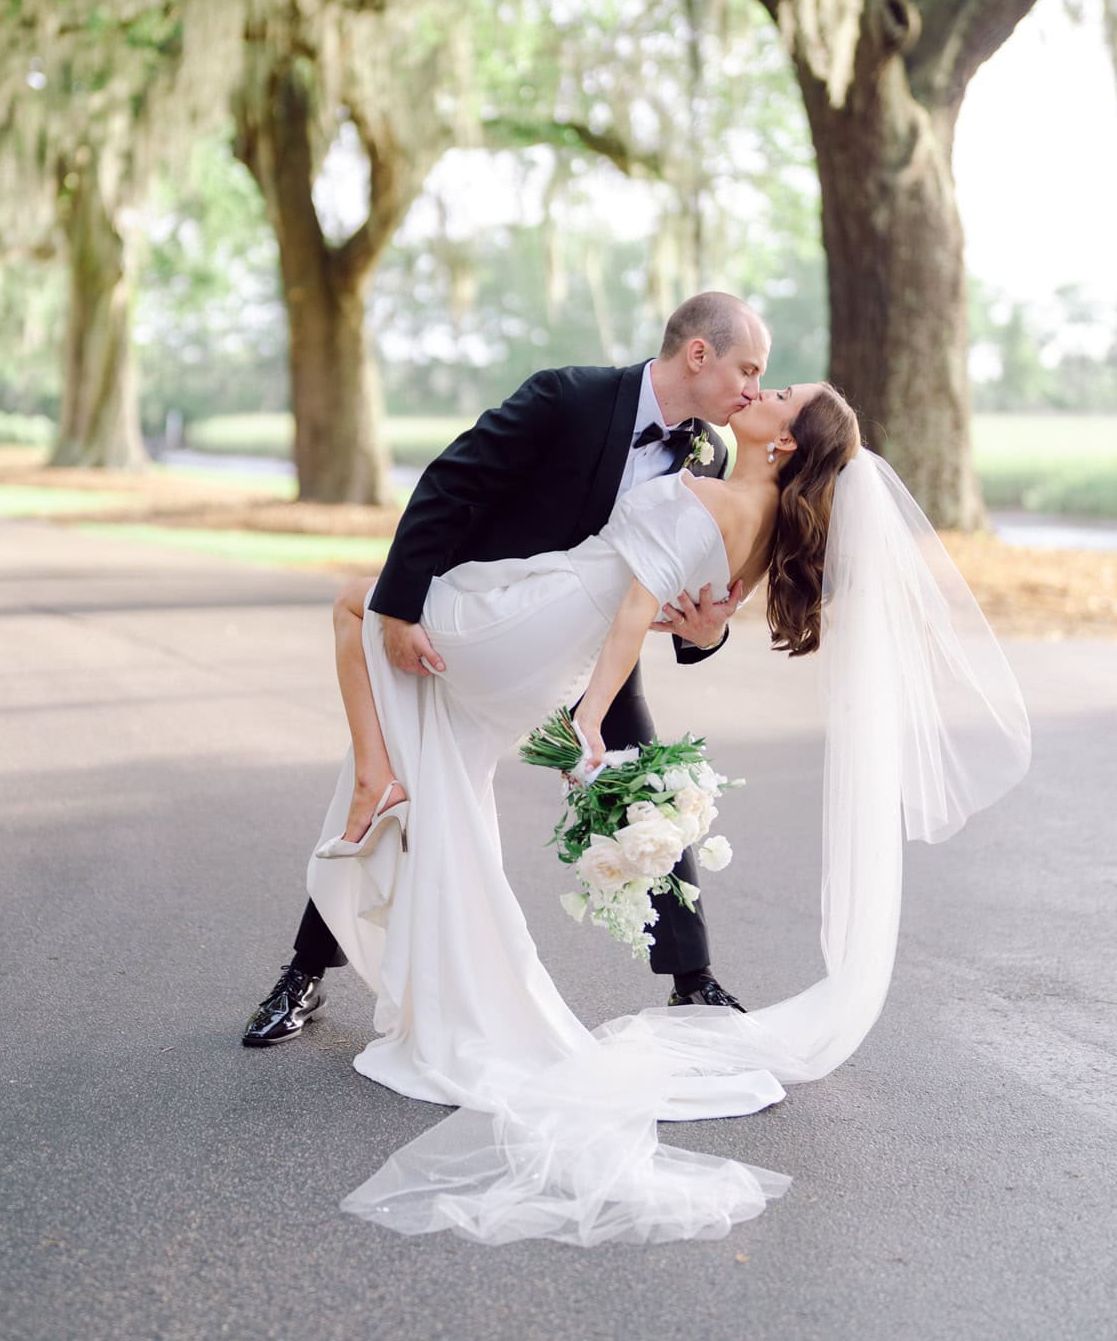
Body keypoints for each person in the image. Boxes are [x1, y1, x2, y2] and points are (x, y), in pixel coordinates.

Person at [296, 378, 1030, 1245]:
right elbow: (694, 609)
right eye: (757, 373)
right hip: (555, 630)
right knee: (423, 716)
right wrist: (683, 633)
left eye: (778, 390)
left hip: (542, 622)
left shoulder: (710, 484)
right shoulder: (758, 521)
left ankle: (376, 782)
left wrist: (589, 716)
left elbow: (640, 611)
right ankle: (378, 813)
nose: (763, 387)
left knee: (361, 603)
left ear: (786, 441)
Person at [243, 291, 772, 1048]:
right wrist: (399, 610)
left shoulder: (710, 458)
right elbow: (451, 483)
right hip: (494, 626)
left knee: (652, 787)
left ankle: (695, 982)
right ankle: (303, 975)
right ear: (699, 354)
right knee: (396, 787)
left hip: (593, 654)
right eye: (747, 369)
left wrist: (705, 632)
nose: (753, 388)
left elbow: (684, 595)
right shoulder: (569, 397)